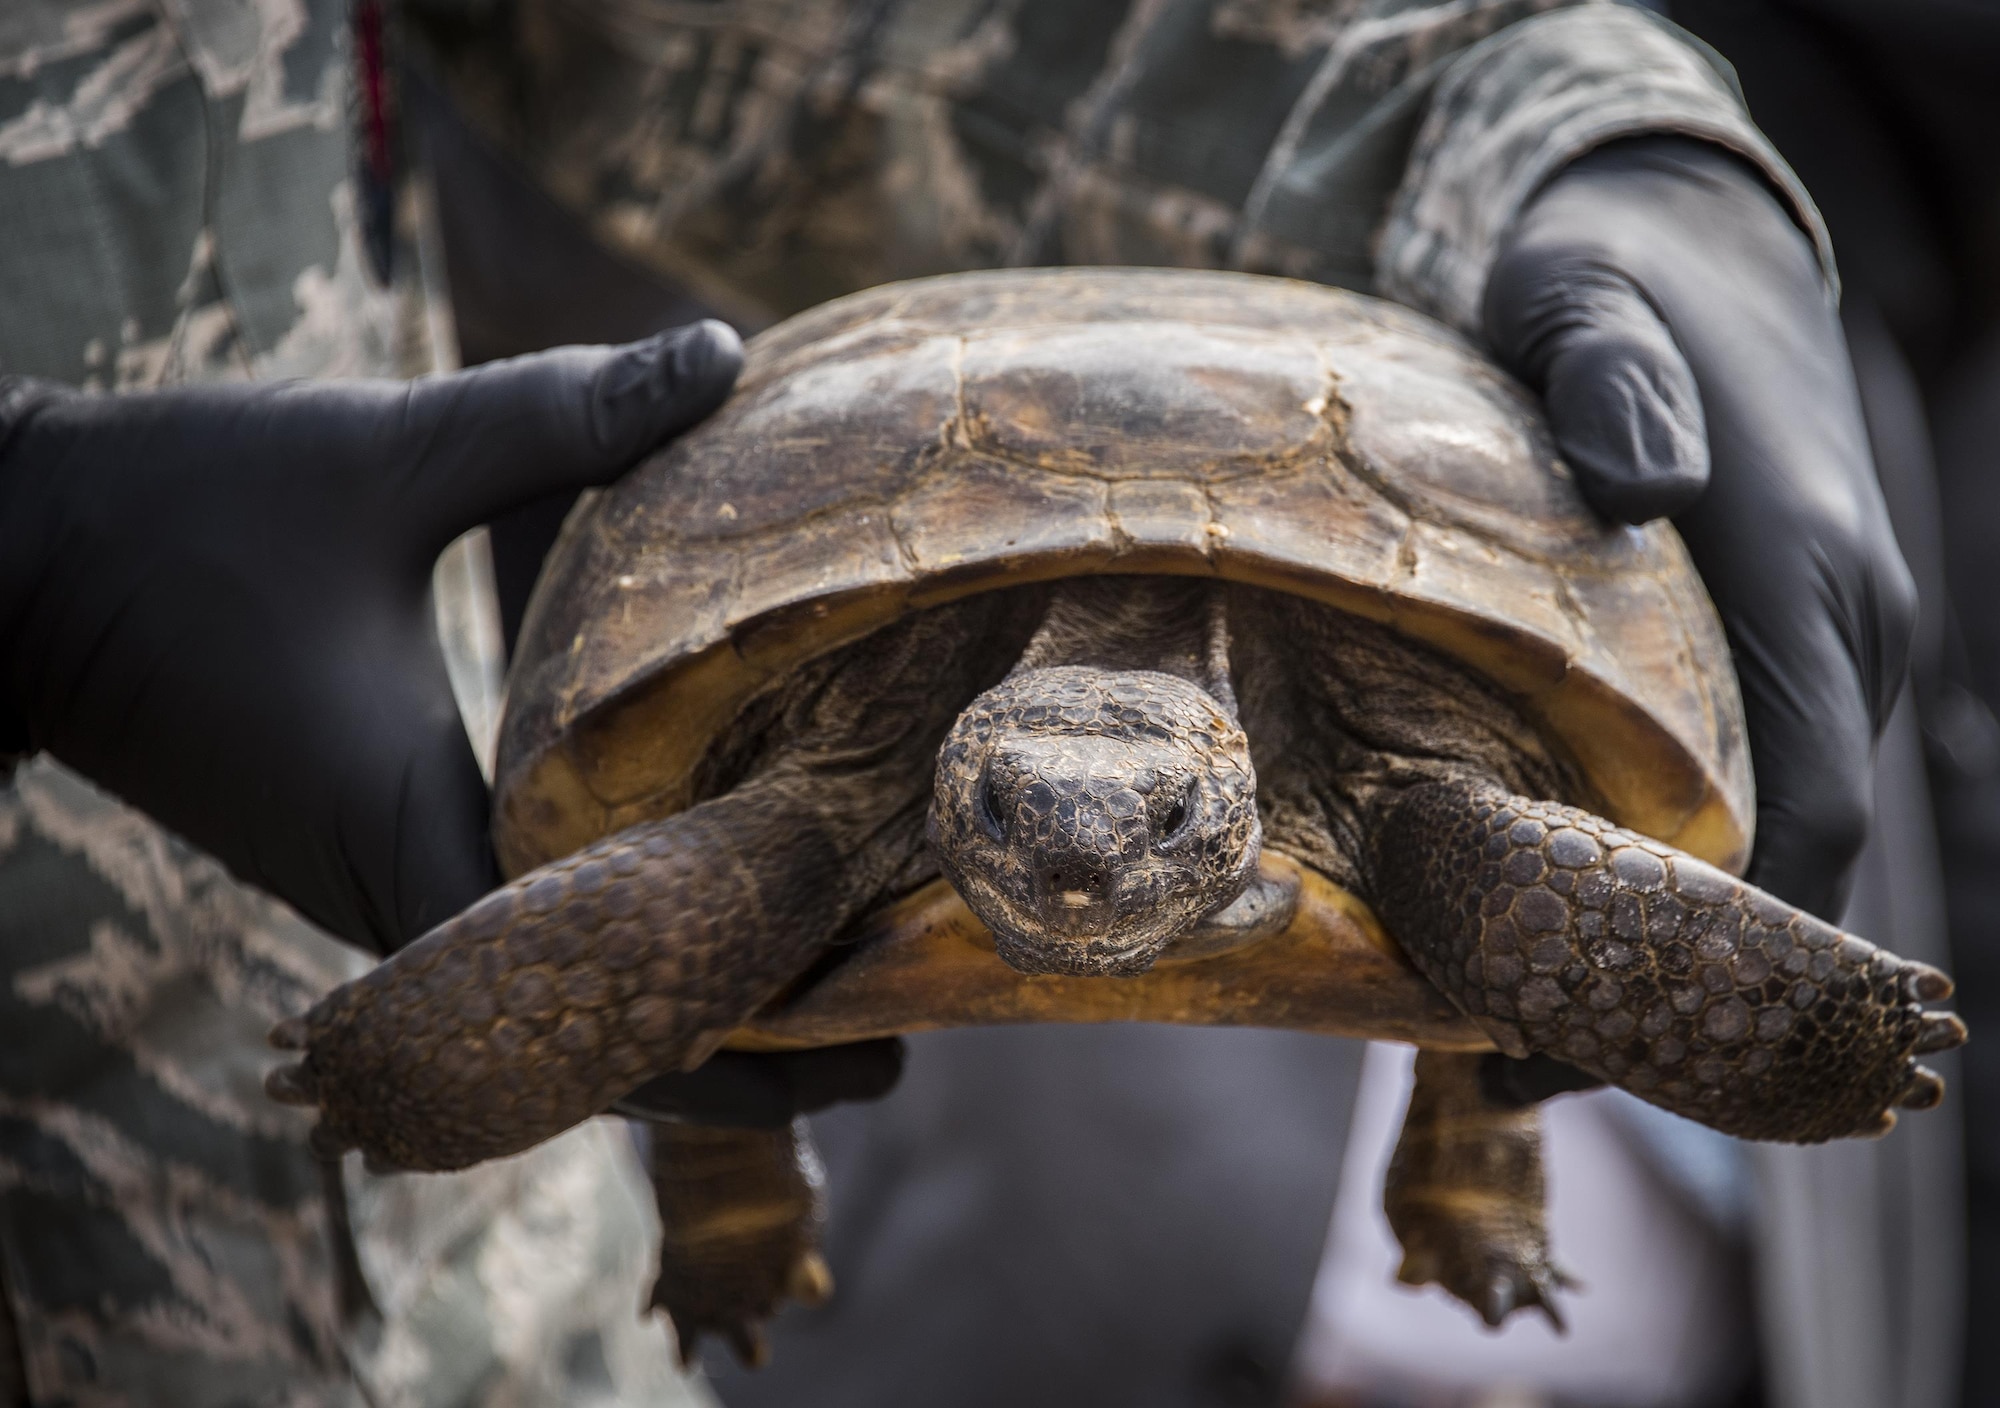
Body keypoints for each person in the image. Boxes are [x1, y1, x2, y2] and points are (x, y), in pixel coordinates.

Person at [400, 1, 1928, 1404]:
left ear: (1221, 781)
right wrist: (407, 1064)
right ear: (959, 772)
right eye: (1007, 808)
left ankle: (1472, 1142)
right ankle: (729, 1185)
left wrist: (1573, 134)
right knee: (715, 956)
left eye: (1155, 820)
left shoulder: (1428, 802)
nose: (1076, 863)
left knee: (1484, 891)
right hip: (987, 1270)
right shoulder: (838, 788)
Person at [0, 3, 891, 1402]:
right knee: (697, 930)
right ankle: (722, 1184)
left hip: (502, 1287)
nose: (1077, 853)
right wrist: (24, 547)